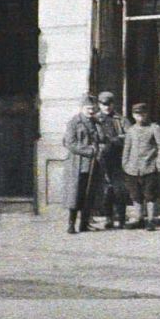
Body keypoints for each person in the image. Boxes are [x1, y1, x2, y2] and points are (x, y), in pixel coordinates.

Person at [120, 101, 160, 229]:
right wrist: (125, 164)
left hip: (149, 167)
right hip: (133, 168)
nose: (140, 116)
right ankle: (139, 218)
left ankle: (151, 220)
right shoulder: (131, 130)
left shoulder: (154, 128)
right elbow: (127, 148)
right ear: (133, 116)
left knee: (150, 195)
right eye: (137, 114)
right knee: (136, 195)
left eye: (142, 114)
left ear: (147, 114)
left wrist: (159, 163)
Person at [62, 97, 104, 234]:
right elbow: (70, 143)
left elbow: (101, 139)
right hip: (77, 164)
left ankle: (84, 224)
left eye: (93, 108)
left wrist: (101, 147)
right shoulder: (74, 123)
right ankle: (71, 224)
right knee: (75, 194)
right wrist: (89, 150)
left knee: (89, 194)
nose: (91, 111)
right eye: (88, 108)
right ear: (81, 108)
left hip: (93, 164)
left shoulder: (96, 122)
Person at [94, 92, 126, 229]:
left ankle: (122, 218)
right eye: (103, 104)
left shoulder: (120, 119)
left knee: (120, 189)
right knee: (105, 190)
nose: (106, 107)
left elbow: (128, 135)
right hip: (101, 158)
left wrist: (117, 139)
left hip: (118, 158)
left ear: (113, 104)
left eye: (109, 104)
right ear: (99, 105)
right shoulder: (94, 119)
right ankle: (108, 217)